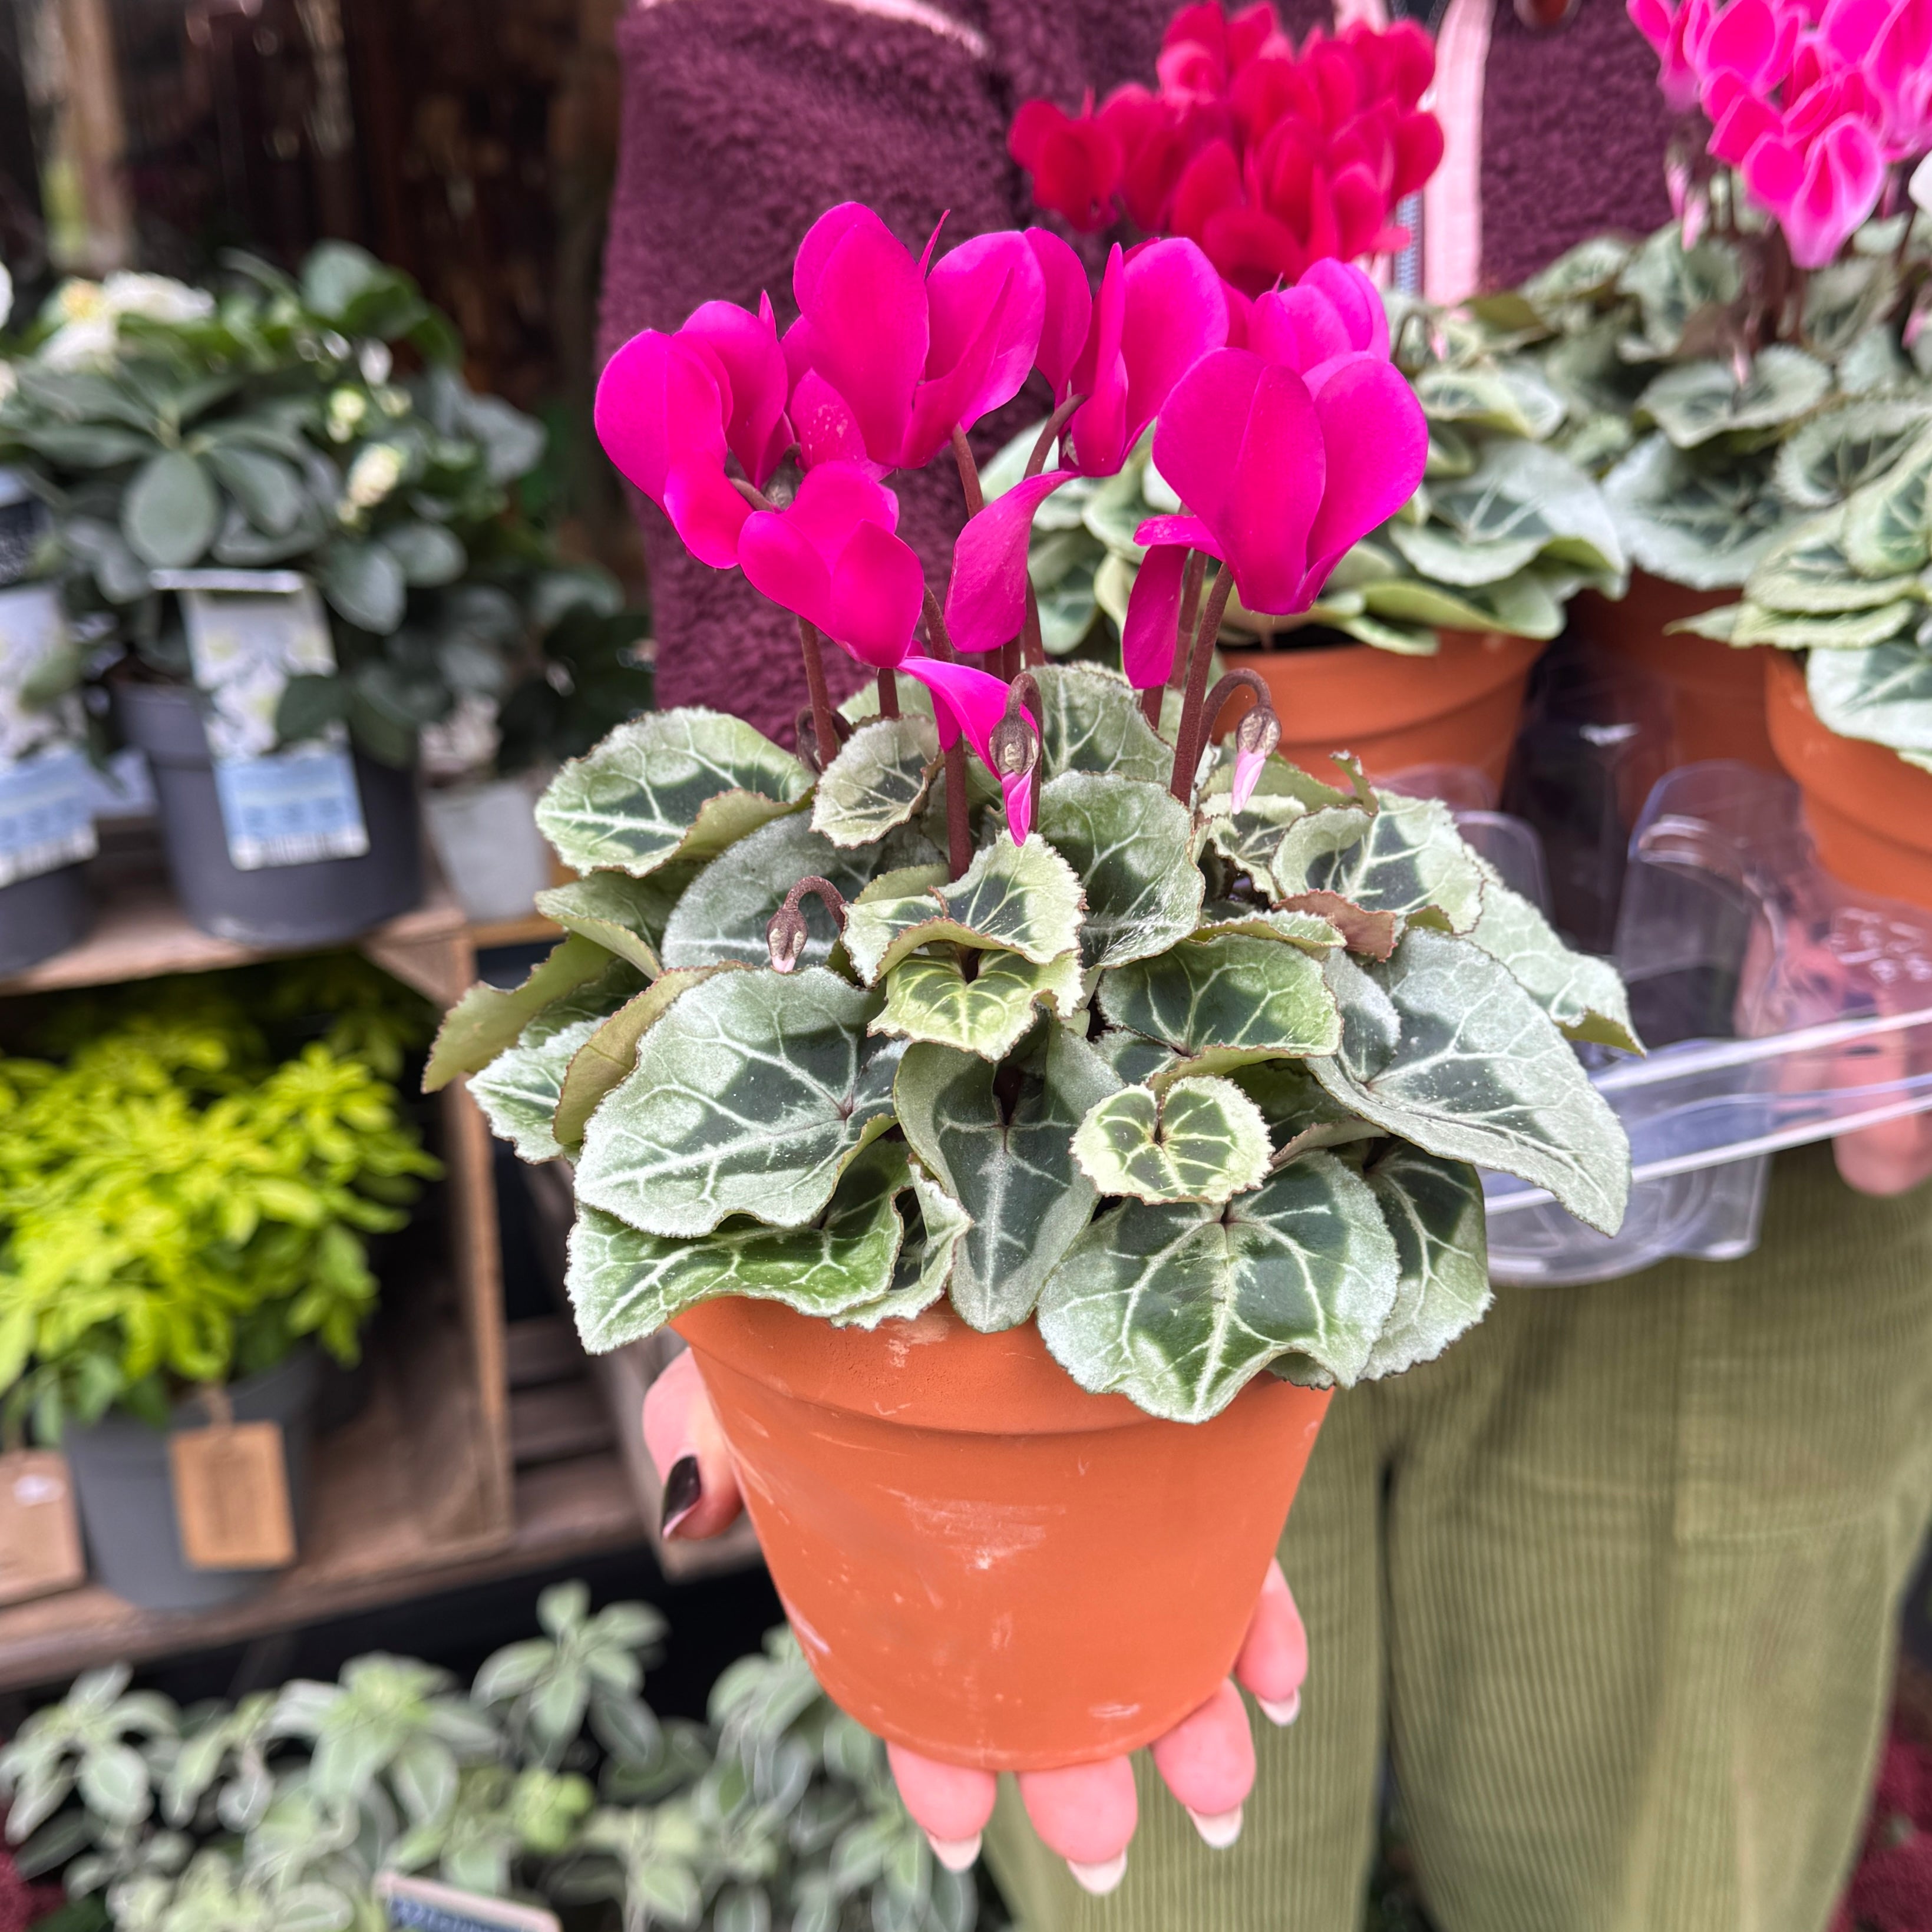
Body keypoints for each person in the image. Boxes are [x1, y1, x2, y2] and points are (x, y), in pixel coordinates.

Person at [607, 3, 1932, 1926]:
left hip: (1748, 1106)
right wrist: (807, 1178)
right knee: (1158, 1852)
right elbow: (793, 246)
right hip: (1091, 1173)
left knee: (1679, 1874)